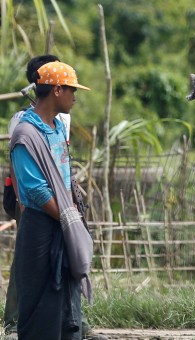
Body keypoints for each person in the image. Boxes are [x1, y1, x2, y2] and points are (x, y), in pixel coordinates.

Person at [3, 55, 106, 340]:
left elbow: (63, 175)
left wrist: (70, 213)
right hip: (40, 227)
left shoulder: (58, 127)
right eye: (71, 89)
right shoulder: (26, 133)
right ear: (57, 90)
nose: (75, 96)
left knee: (65, 301)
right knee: (39, 304)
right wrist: (67, 217)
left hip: (60, 221)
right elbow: (35, 189)